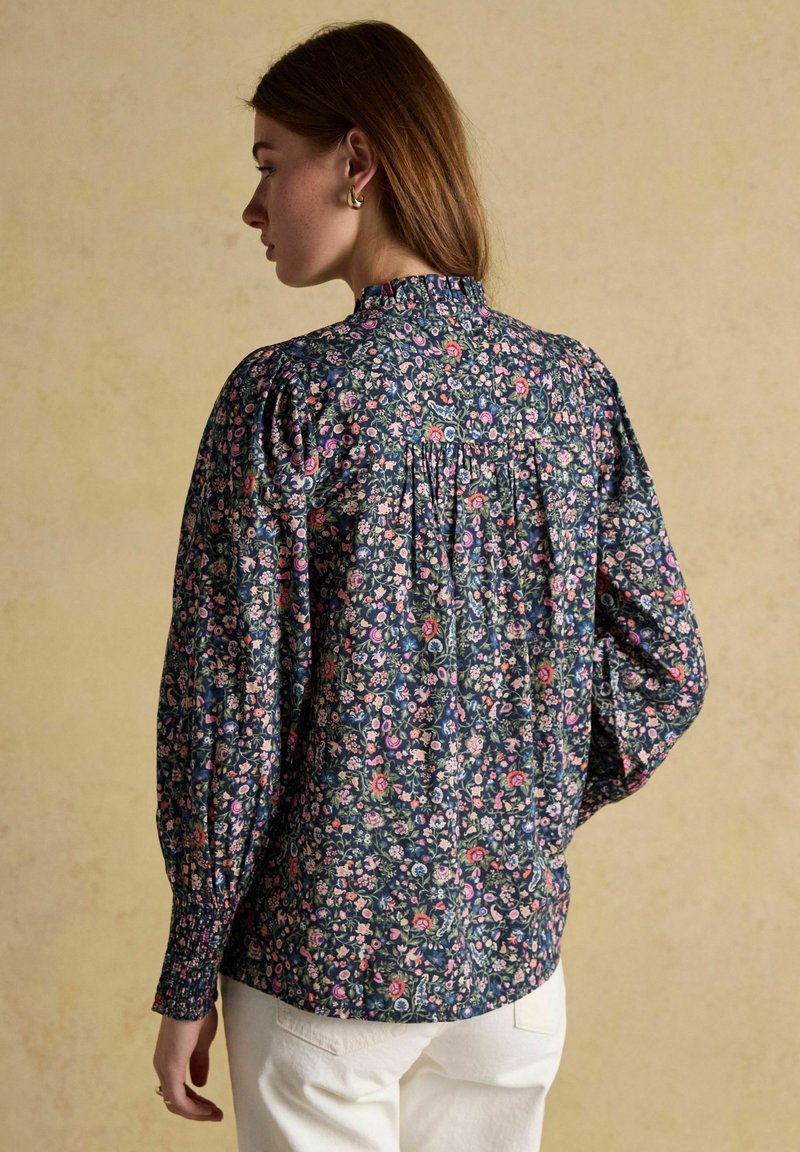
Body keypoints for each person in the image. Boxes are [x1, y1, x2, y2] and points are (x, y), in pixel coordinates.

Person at [150, 18, 708, 1152]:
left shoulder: (287, 398)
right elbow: (668, 666)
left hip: (322, 968)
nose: (253, 207)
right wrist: (514, 809)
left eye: (269, 163)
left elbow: (227, 720)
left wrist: (188, 968)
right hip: (509, 972)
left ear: (355, 161)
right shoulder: (569, 388)